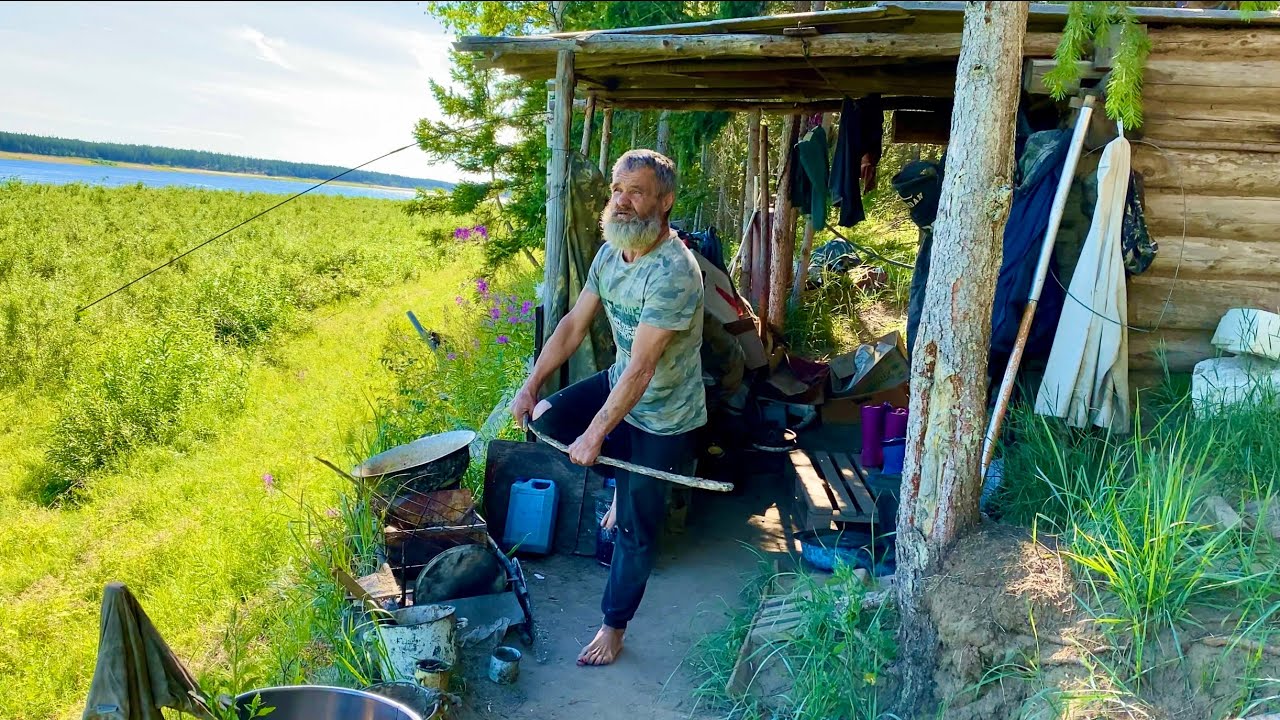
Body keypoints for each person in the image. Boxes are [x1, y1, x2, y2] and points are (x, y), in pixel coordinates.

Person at [511, 149, 706, 667]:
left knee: (635, 531)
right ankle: (621, 480)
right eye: (618, 190)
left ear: (663, 202)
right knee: (548, 419)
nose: (621, 201)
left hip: (664, 413)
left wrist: (597, 434)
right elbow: (574, 325)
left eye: (635, 192)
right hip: (618, 384)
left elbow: (643, 367)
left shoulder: (676, 272)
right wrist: (531, 385)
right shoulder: (609, 253)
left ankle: (614, 627)